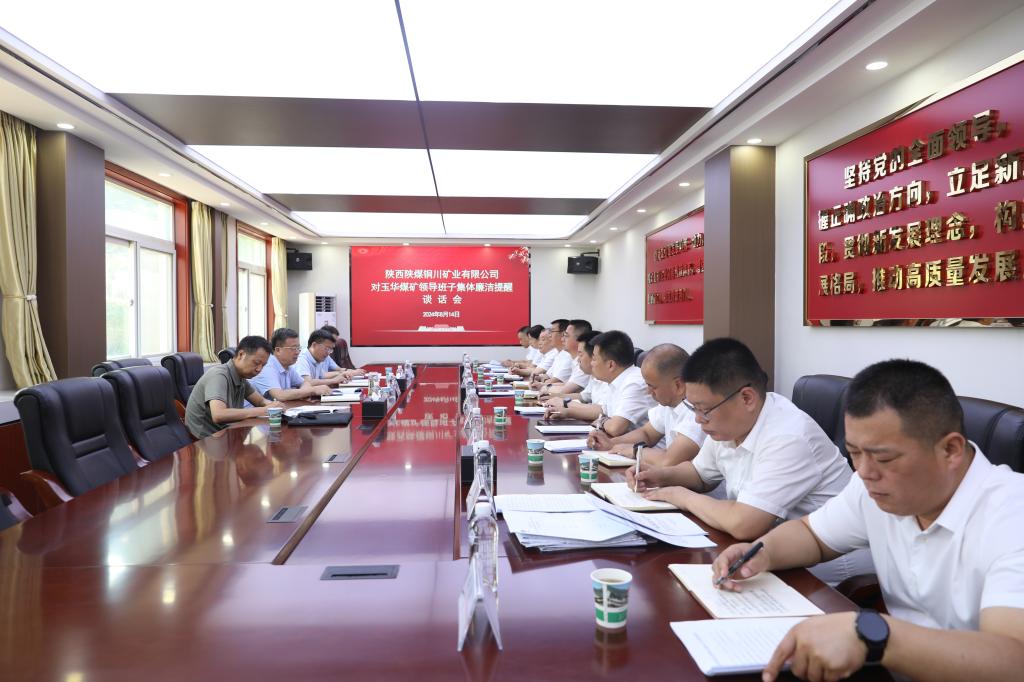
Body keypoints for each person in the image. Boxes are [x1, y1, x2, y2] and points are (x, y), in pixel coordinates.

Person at [712, 359, 1024, 682]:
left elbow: (1015, 658)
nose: (864, 471)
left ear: (950, 450)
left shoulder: (1012, 515)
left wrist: (876, 636)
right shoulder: (874, 487)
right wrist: (762, 551)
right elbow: (813, 535)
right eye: (854, 453)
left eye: (883, 457)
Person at [630, 337, 869, 583]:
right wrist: (660, 476)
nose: (698, 419)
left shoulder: (789, 435)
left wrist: (680, 495)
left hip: (827, 574)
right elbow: (700, 475)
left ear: (747, 398)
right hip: (767, 552)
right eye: (694, 408)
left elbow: (744, 523)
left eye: (704, 409)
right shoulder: (728, 425)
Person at [587, 343, 704, 467]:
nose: (648, 391)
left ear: (678, 385)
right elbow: (647, 434)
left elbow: (669, 460)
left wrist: (635, 451)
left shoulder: (697, 412)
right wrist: (611, 443)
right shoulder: (670, 403)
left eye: (652, 386)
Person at [543, 330, 654, 437]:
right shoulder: (615, 381)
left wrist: (601, 421)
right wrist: (566, 412)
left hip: (640, 448)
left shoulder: (634, 383)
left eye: (594, 359)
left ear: (611, 365)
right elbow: (602, 411)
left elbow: (615, 428)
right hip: (619, 443)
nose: (592, 364)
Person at [185, 335, 284, 439]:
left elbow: (260, 401)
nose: (259, 369)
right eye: (256, 363)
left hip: (226, 434)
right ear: (241, 355)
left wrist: (275, 406)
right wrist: (264, 410)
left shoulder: (240, 377)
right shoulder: (219, 375)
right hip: (205, 440)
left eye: (263, 365)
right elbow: (218, 414)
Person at [249, 328, 331, 402]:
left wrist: (305, 393)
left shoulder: (287, 366)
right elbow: (279, 395)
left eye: (298, 348)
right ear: (278, 350)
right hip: (254, 412)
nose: (297, 352)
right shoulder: (267, 366)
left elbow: (304, 383)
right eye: (293, 348)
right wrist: (312, 391)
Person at [294, 329, 361, 386]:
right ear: (314, 345)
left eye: (330, 349)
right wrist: (334, 380)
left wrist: (341, 374)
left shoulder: (317, 358)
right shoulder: (302, 359)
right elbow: (307, 382)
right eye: (327, 348)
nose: (329, 353)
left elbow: (322, 376)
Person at [532, 319, 574, 384]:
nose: (549, 335)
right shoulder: (559, 354)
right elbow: (548, 375)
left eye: (552, 331)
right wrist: (538, 377)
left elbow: (554, 381)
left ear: (562, 334)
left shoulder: (569, 355)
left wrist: (544, 380)